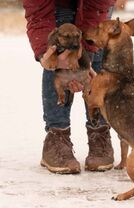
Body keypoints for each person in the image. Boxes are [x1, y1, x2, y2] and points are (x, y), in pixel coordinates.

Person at [23, 0, 116, 174]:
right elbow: (39, 14)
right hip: (57, 4)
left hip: (95, 4)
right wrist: (46, 53)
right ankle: (57, 136)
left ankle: (99, 132)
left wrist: (85, 57)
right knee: (58, 50)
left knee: (97, 50)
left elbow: (96, 7)